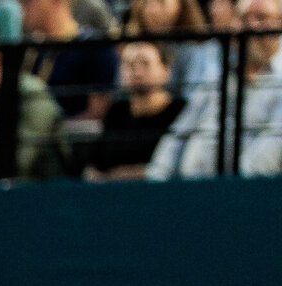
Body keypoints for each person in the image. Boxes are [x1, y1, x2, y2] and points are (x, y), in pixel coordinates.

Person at [148, 0, 282, 178]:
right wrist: (156, 177)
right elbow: (180, 131)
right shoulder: (218, 74)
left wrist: (231, 186)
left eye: (261, 17)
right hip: (191, 185)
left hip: (244, 188)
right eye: (244, 18)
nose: (251, 25)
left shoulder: (279, 81)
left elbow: (268, 154)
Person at [86, 40, 185, 178]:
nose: (137, 72)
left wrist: (126, 175)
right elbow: (95, 163)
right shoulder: (116, 111)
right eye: (130, 64)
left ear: (165, 70)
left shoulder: (179, 111)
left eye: (145, 63)